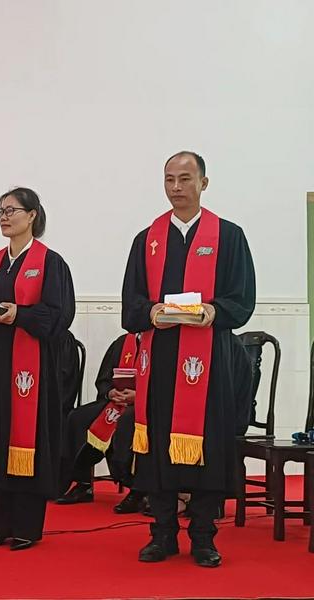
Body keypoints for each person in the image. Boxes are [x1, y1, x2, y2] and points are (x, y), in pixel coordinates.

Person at [122, 151, 256, 567]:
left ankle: (203, 536)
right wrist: (152, 313)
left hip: (209, 360)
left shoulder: (229, 236)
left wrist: (213, 312)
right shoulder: (147, 239)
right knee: (159, 444)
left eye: (185, 178)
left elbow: (242, 298)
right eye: (169, 180)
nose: (176, 187)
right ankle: (162, 533)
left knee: (208, 445)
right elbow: (131, 305)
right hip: (160, 359)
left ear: (204, 183)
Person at [0, 187, 76, 551]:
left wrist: (19, 314)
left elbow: (60, 315)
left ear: (32, 215)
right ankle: (0, 525)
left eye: (11, 210)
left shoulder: (51, 262)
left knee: (29, 439)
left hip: (34, 371)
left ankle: (27, 527)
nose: (4, 217)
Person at [57, 333, 146, 514]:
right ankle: (83, 483)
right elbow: (104, 379)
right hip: (115, 402)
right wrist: (111, 392)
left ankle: (138, 490)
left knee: (126, 423)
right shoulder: (122, 343)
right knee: (77, 417)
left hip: (145, 406)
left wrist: (139, 397)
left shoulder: (160, 344)